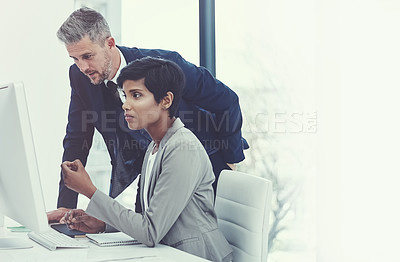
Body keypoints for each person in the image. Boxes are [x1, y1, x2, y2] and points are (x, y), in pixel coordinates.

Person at [48, 7, 248, 221]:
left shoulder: (165, 66)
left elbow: (227, 100)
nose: (82, 67)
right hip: (149, 173)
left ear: (110, 44)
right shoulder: (80, 78)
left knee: (200, 243)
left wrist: (230, 162)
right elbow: (77, 139)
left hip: (203, 164)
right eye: (75, 59)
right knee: (142, 238)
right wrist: (65, 206)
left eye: (87, 56)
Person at [61, 57, 233, 262]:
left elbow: (150, 231)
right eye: (125, 95)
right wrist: (102, 224)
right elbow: (149, 219)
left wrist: (90, 191)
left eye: (136, 95)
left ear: (166, 101)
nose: (126, 105)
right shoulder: (155, 146)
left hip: (197, 256)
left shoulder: (182, 149)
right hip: (168, 253)